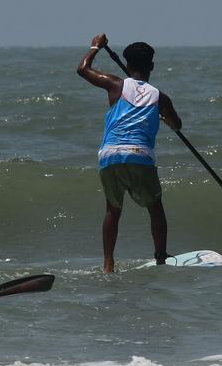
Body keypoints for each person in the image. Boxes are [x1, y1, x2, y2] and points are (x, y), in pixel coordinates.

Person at [77, 34, 182, 273]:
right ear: (151, 66)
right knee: (155, 208)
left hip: (110, 155)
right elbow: (177, 125)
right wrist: (163, 117)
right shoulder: (160, 97)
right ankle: (161, 257)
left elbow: (82, 69)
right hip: (140, 156)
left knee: (113, 210)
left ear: (128, 65)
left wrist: (95, 47)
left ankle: (108, 264)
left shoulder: (115, 84)